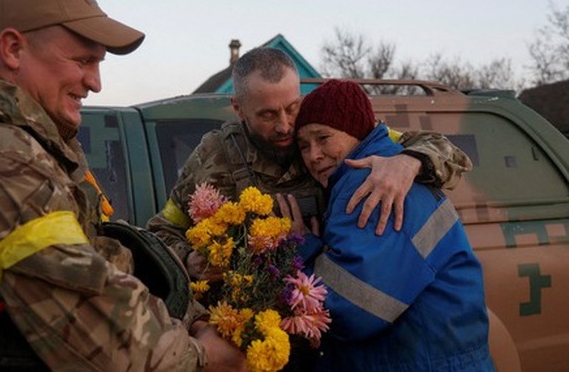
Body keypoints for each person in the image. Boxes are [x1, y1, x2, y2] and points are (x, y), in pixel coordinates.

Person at [0, 0, 246, 372]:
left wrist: (193, 317)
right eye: (83, 60)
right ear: (13, 49)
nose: (96, 83)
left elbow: (101, 254)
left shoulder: (33, 142)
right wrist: (205, 359)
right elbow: (90, 320)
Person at [146, 47, 472, 282]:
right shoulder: (213, 156)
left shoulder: (331, 138)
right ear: (238, 108)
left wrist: (408, 161)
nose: (285, 126)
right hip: (249, 332)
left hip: (328, 316)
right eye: (268, 114)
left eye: (292, 107)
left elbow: (449, 153)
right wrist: (188, 259)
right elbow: (163, 228)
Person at [283, 79, 493, 371]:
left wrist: (302, 249)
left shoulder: (369, 183)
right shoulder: (389, 165)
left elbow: (349, 311)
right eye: (304, 146)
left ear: (355, 131)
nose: (313, 155)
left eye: (324, 138)